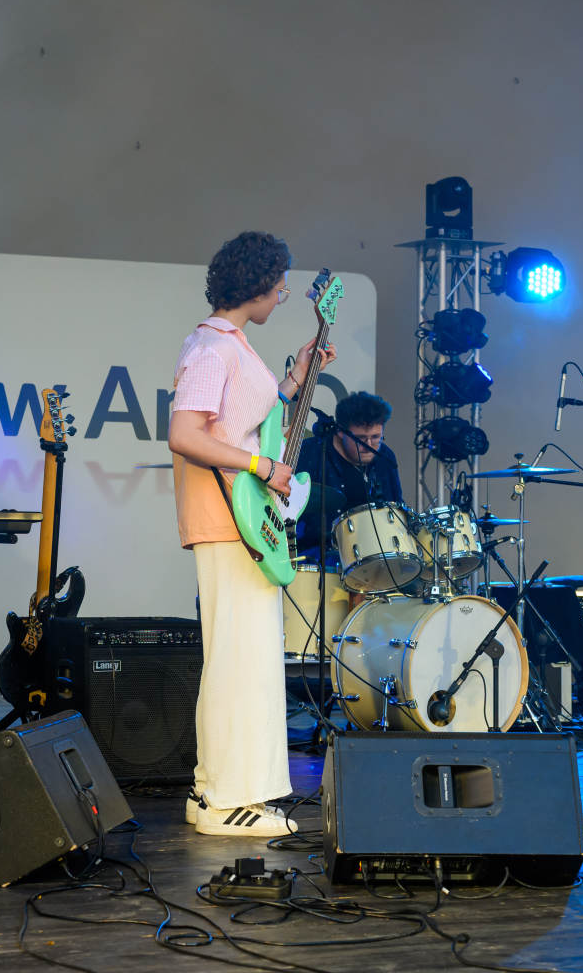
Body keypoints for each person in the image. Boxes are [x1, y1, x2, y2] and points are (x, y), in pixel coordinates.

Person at [167, 231, 333, 836]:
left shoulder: (232, 345)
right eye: (280, 287)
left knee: (245, 661)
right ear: (259, 286)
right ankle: (228, 801)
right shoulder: (212, 347)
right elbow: (185, 434)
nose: (283, 296)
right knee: (239, 661)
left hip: (245, 518)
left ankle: (217, 791)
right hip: (227, 516)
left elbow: (248, 424)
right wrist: (262, 467)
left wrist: (296, 377)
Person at [292, 391, 403, 561]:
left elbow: (395, 510)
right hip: (317, 556)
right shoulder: (310, 452)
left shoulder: (385, 458)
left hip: (373, 556)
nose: (368, 445)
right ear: (340, 432)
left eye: (376, 437)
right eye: (360, 439)